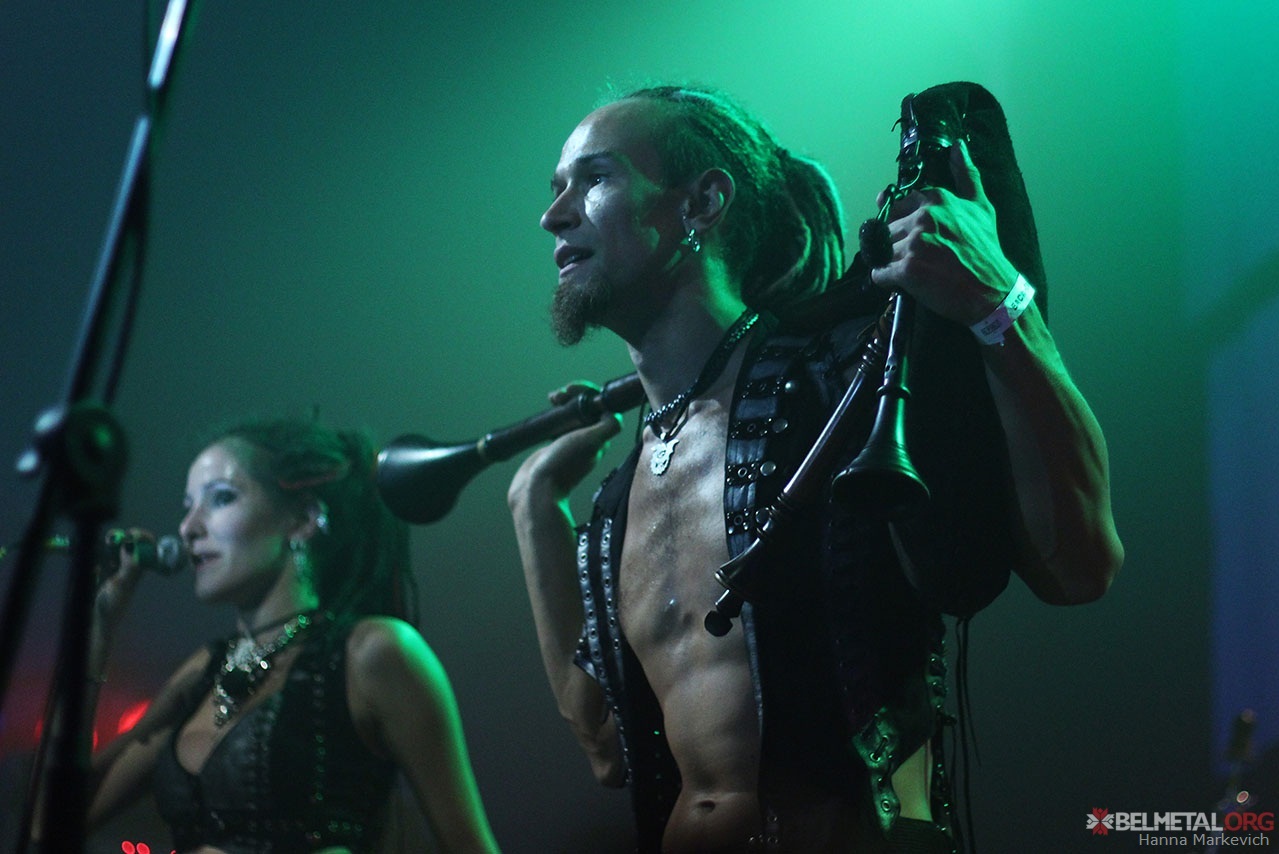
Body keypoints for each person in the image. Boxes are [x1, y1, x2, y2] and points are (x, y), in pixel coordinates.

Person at [506, 83, 1124, 852]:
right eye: (556, 187)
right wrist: (533, 508)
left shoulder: (847, 383)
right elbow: (607, 747)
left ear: (701, 204)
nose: (554, 215)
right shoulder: (620, 494)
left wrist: (1002, 303)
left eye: (594, 179)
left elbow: (1079, 568)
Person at [81, 417, 500, 853]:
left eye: (221, 498)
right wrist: (98, 625)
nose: (188, 527)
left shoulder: (372, 653)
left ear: (303, 519)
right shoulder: (203, 671)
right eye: (188, 506)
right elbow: (53, 818)